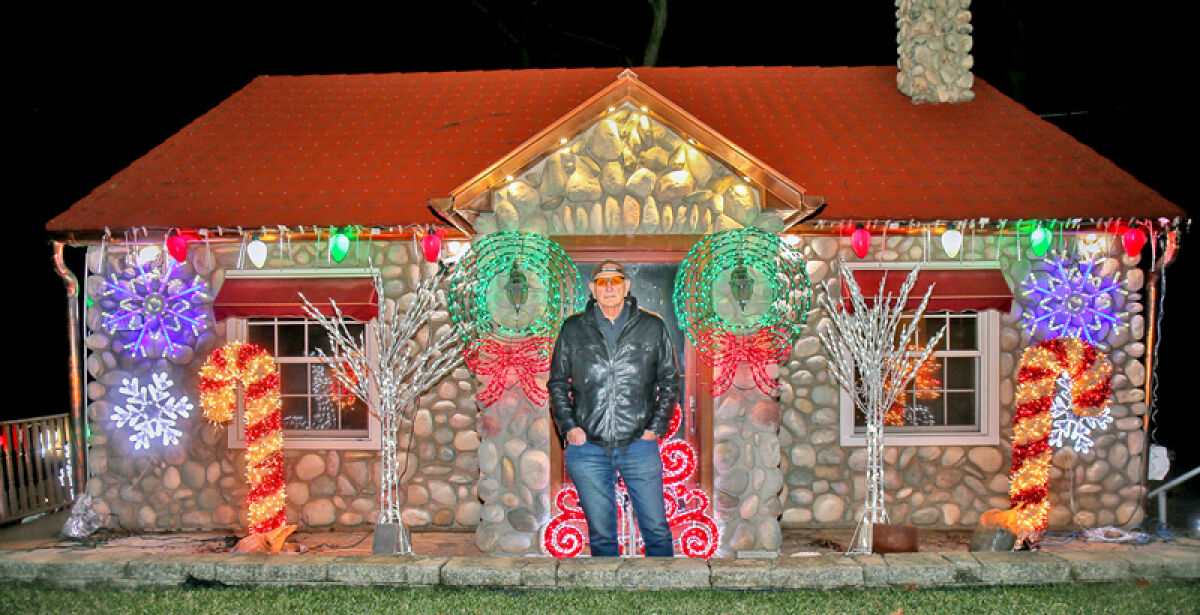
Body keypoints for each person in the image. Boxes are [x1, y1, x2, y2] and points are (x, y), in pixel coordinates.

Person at [547, 260, 680, 557]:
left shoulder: (651, 326)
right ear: (593, 289)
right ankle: (606, 597)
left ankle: (670, 594)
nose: (609, 288)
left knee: (656, 529)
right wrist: (569, 428)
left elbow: (670, 381)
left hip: (638, 445)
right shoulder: (573, 329)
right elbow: (557, 383)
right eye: (602, 283)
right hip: (588, 447)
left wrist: (654, 429)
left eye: (615, 281)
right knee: (601, 534)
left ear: (626, 287)